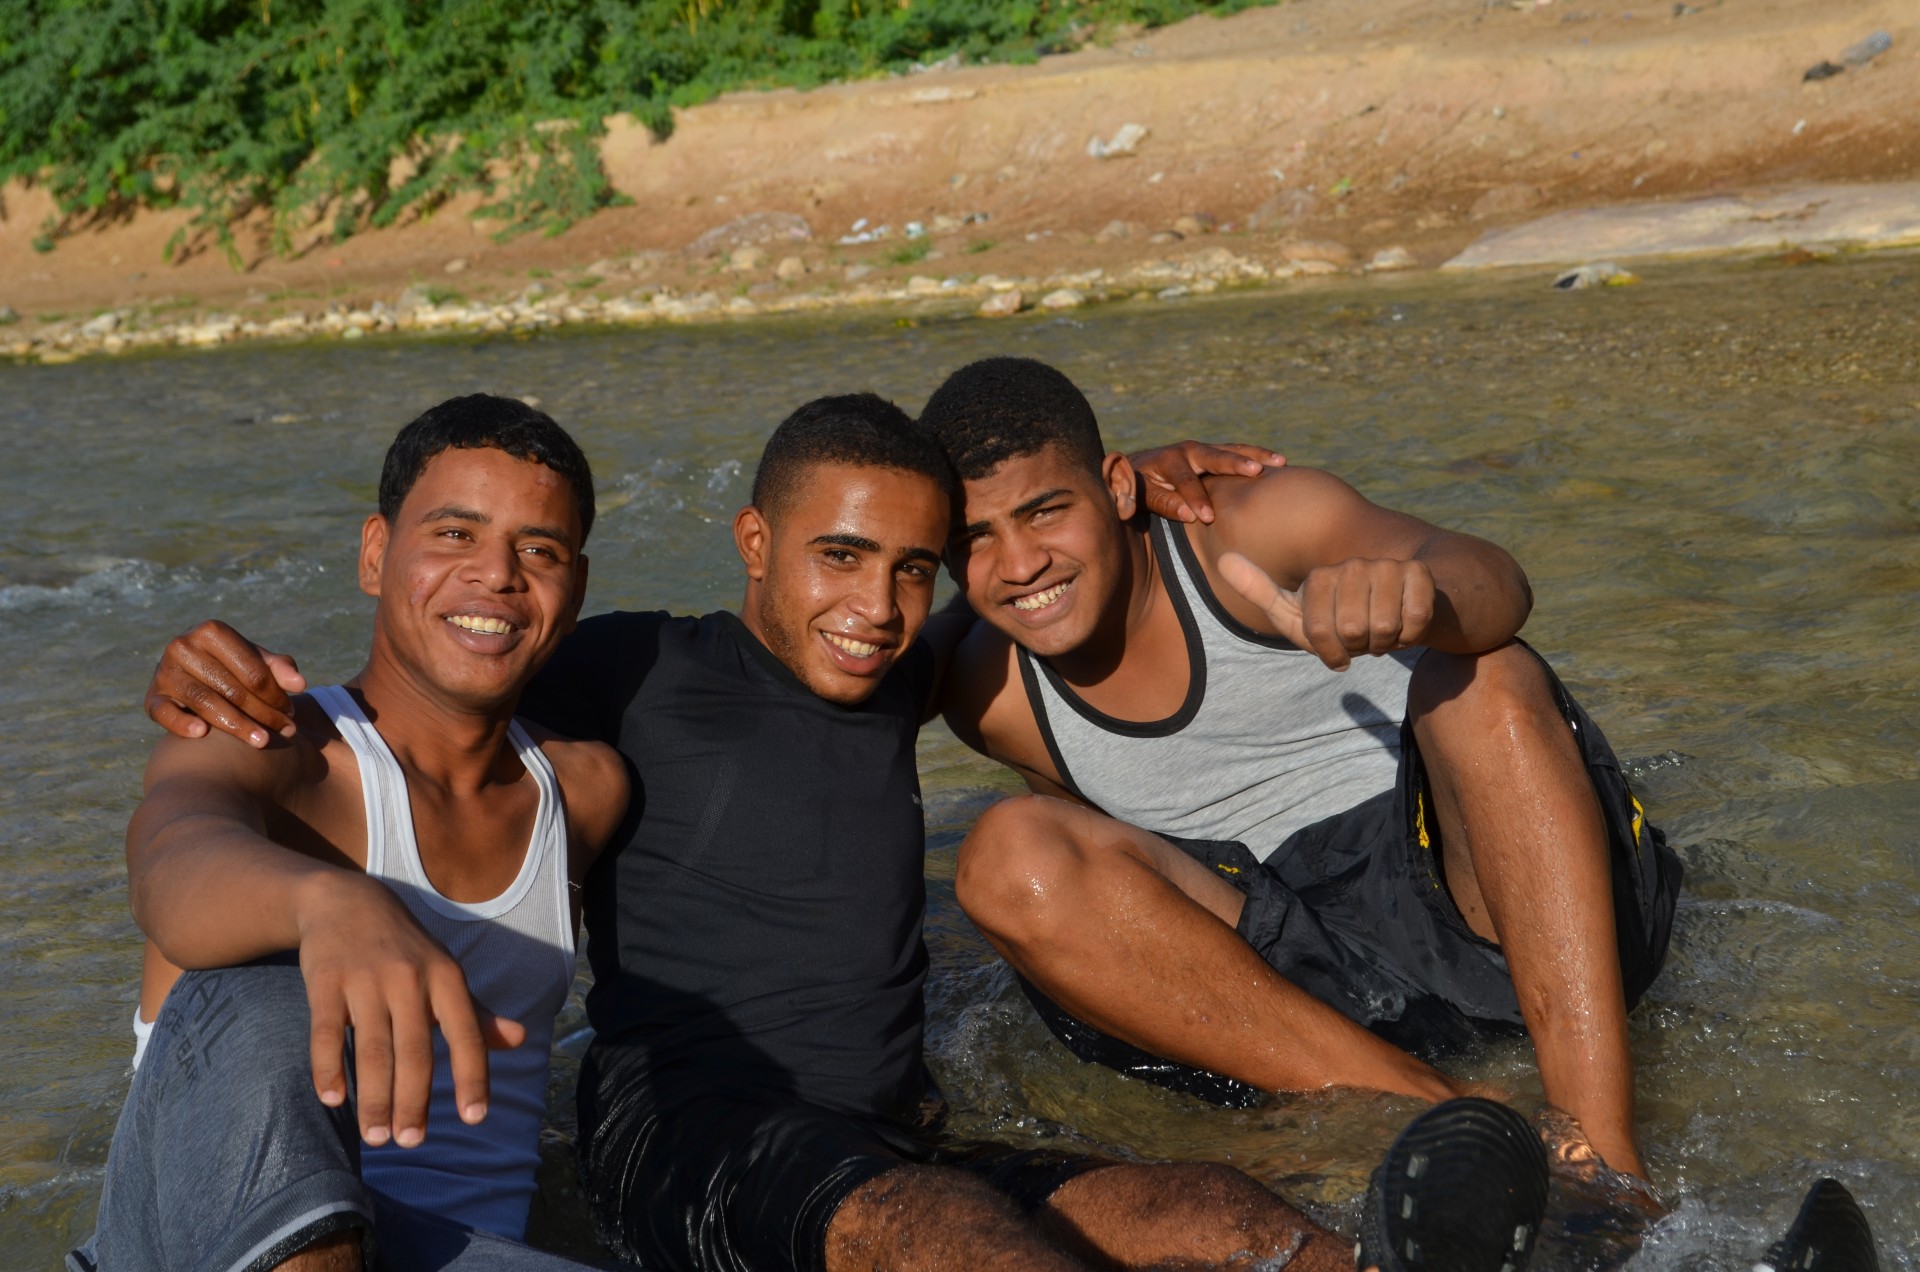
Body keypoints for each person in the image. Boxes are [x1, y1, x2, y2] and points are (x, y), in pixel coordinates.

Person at [138, 394, 1562, 1272]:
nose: (873, 607)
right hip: (687, 1130)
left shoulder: (909, 672)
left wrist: (1144, 487)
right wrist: (222, 680)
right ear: (755, 544)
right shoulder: (625, 675)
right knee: (960, 1248)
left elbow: (1050, 581)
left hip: (874, 1138)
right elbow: (438, 669)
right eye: (836, 558)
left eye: (909, 570)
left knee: (1219, 1217)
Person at [921, 356, 1686, 1184]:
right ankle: (1453, 1114)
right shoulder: (986, 688)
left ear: (1116, 486)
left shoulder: (1255, 523)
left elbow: (1497, 580)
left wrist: (1418, 591)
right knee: (1010, 854)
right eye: (976, 541)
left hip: (1489, 896)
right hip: (1313, 993)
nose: (1023, 563)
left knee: (1485, 673)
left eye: (1047, 511)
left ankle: (1604, 1166)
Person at [75, 395, 630, 1272]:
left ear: (578, 589)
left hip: (460, 1253)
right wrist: (328, 902)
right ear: (376, 555)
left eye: (540, 550)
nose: (496, 574)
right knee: (264, 990)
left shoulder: (585, 790)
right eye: (454, 534)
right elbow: (169, 854)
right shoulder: (277, 744)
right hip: (215, 1236)